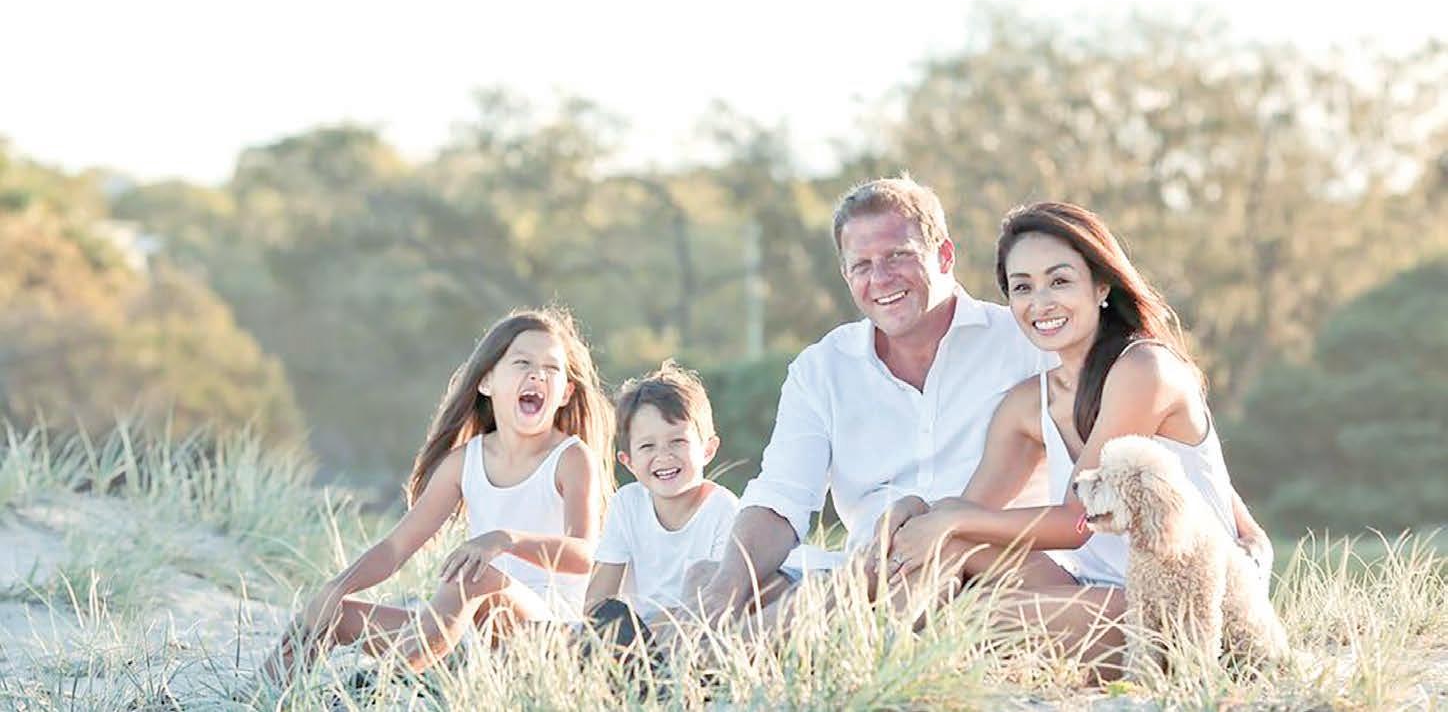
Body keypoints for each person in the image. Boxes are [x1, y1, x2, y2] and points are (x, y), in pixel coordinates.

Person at [882, 202, 1273, 669]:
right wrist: (923, 512)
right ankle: (867, 656)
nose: (1041, 302)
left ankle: (899, 658)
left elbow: (1077, 522)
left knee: (975, 616)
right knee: (949, 551)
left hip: (1176, 603)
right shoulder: (1027, 404)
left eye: (1060, 281)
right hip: (1092, 587)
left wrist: (949, 519)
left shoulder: (1144, 369)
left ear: (1101, 286)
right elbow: (972, 515)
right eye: (1022, 287)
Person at [693, 175, 1054, 624]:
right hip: (865, 574)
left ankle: (726, 648)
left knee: (900, 563)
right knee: (710, 578)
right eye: (861, 265)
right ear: (846, 275)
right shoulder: (822, 369)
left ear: (945, 255)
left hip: (987, 567)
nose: (880, 278)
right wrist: (724, 590)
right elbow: (781, 498)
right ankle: (671, 649)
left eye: (898, 256)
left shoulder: (1025, 343)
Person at [258, 307, 613, 686]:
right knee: (331, 612)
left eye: (552, 368)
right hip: (462, 638)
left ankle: (381, 684)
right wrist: (336, 588)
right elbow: (395, 548)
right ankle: (253, 697)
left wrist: (506, 540)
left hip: (546, 633)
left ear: (565, 393)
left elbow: (584, 555)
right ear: (486, 381)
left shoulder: (571, 458)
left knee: (472, 576)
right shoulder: (464, 462)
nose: (537, 374)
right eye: (522, 362)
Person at [584, 361, 749, 620]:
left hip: (694, 627)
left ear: (708, 450)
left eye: (677, 441)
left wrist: (661, 625)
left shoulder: (723, 510)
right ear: (629, 462)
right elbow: (598, 598)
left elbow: (720, 603)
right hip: (636, 631)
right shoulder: (627, 503)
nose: (663, 456)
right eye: (647, 446)